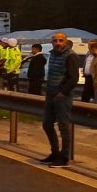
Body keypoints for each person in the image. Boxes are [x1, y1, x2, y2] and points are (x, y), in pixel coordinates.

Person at [40, 33, 79, 168]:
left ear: (66, 41)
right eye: (55, 40)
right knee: (47, 124)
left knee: (63, 126)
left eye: (60, 40)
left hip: (62, 97)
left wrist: (63, 93)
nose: (57, 43)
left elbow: (73, 78)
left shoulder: (70, 55)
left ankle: (64, 157)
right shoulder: (53, 55)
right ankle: (55, 153)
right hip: (51, 94)